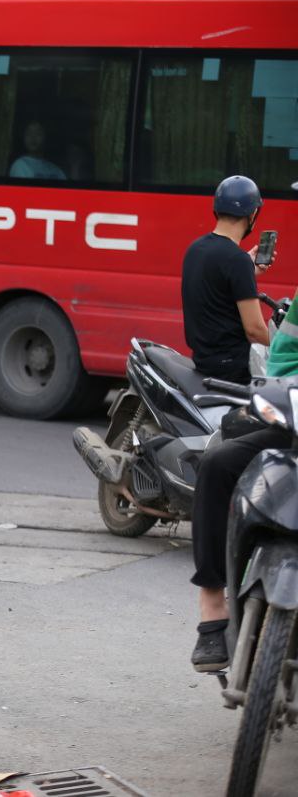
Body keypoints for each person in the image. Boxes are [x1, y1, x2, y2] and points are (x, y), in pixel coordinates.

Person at [187, 177, 282, 672]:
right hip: (241, 381)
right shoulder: (235, 263)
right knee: (218, 461)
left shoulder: (200, 252)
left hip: (208, 364)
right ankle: (212, 611)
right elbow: (260, 334)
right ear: (254, 216)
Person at [181, 175, 271, 386]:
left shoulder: (196, 249)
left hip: (203, 361)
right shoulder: (236, 260)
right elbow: (255, 330)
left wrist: (248, 269)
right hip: (233, 369)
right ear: (253, 214)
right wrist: (286, 347)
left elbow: (217, 284)